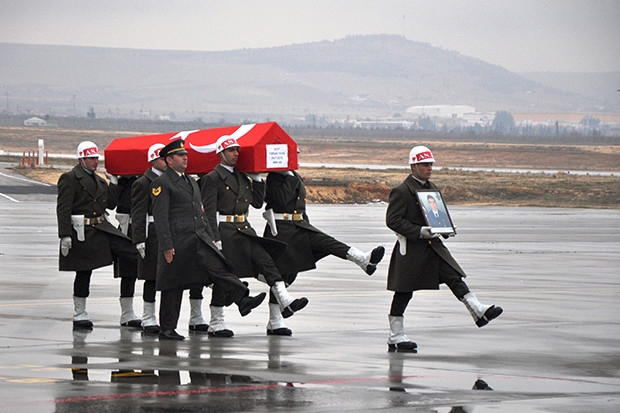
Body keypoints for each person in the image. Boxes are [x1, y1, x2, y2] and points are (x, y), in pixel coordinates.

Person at [385, 145, 503, 352]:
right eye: (425, 164)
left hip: (433, 247)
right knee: (404, 292)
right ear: (413, 166)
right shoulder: (402, 191)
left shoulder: (432, 189)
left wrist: (445, 228)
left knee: (453, 276)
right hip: (411, 249)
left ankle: (478, 310)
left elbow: (436, 216)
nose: (429, 168)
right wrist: (420, 231)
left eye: (431, 164)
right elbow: (392, 220)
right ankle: (395, 336)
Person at [151, 138, 265, 340]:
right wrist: (167, 245)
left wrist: (211, 237)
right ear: (169, 160)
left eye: (186, 155)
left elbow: (200, 212)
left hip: (199, 238)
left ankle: (243, 299)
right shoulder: (162, 183)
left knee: (219, 267)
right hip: (178, 241)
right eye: (180, 155)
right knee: (173, 284)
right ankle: (167, 329)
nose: (185, 158)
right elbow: (160, 218)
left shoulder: (191, 182)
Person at [200, 136, 308, 337]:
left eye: (237, 150)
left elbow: (258, 204)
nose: (235, 154)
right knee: (226, 276)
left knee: (267, 262)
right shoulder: (212, 178)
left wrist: (257, 179)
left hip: (244, 230)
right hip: (225, 231)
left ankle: (285, 299)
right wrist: (215, 239)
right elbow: (208, 212)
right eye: (231, 151)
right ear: (221, 154)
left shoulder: (242, 177)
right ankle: (216, 322)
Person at [261, 169, 385, 335]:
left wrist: (307, 224)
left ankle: (363, 259)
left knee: (327, 243)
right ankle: (275, 322)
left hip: (300, 226)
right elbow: (282, 200)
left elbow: (300, 205)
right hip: (281, 230)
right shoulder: (274, 177)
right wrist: (288, 177)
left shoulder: (294, 175)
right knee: (283, 275)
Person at [56, 140, 140, 330]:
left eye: (96, 157)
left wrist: (115, 183)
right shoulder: (69, 178)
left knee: (130, 252)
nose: (95, 161)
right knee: (83, 271)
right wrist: (64, 235)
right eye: (91, 158)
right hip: (82, 231)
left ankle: (127, 312)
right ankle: (79, 314)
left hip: (101, 228)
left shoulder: (100, 181)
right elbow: (63, 208)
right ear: (81, 159)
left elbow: (108, 204)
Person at [131, 143, 211, 335]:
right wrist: (139, 238)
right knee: (152, 277)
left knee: (181, 278)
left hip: (179, 236)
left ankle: (192, 317)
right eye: (160, 159)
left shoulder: (183, 181)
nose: (185, 158)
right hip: (155, 235)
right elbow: (139, 213)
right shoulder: (145, 182)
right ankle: (149, 317)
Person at [112, 174, 143, 329]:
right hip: (127, 228)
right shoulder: (124, 181)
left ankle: (149, 314)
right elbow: (112, 203)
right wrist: (114, 182)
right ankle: (127, 313)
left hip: (147, 227)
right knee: (128, 272)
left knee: (149, 273)